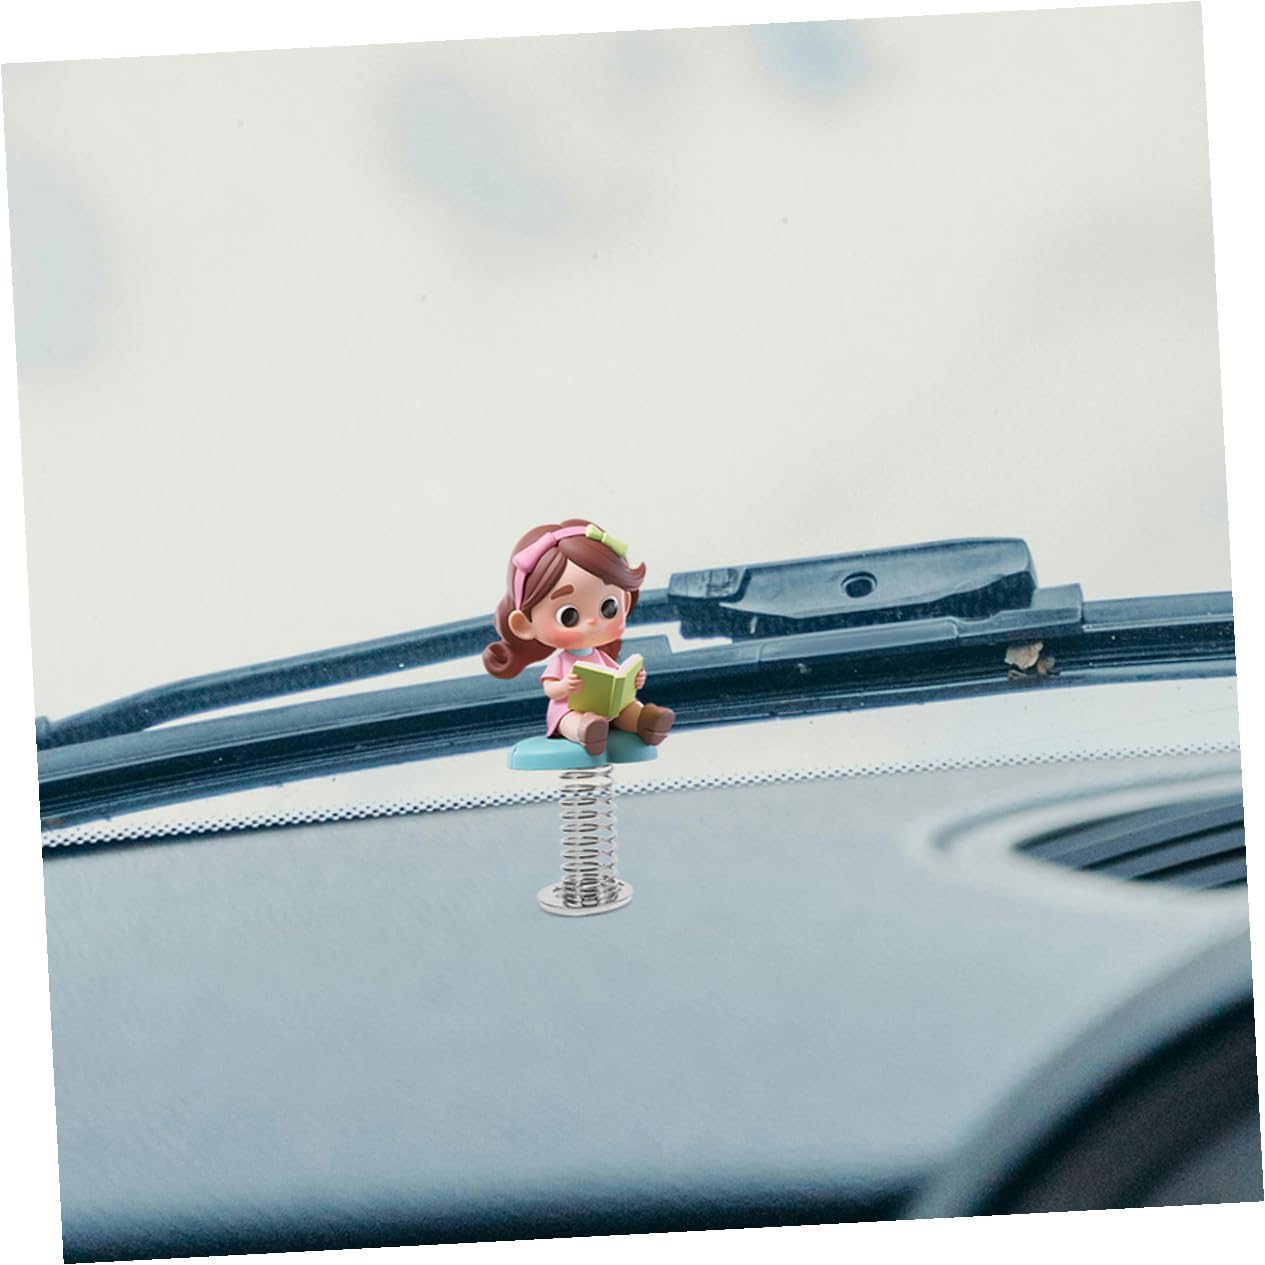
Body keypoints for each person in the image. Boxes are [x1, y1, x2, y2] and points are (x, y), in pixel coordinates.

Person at [483, 520, 676, 755]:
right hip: (570, 708)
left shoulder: (600, 658)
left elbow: (617, 678)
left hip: (607, 707)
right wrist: (565, 686)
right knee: (570, 720)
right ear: (524, 625)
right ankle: (586, 732)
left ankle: (646, 721)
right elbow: (550, 690)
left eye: (608, 607)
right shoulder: (563, 662)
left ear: (624, 603)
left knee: (629, 708)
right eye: (569, 616)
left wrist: (634, 679)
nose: (593, 622)